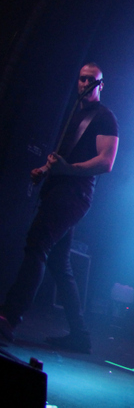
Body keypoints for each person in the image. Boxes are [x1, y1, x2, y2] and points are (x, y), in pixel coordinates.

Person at [0, 62, 119, 353]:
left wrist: (68, 169)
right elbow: (62, 159)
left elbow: (106, 161)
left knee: (37, 245)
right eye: (82, 79)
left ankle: (9, 318)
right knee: (59, 263)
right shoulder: (76, 115)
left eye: (92, 80)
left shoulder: (104, 117)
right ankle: (80, 335)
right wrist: (44, 169)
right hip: (60, 190)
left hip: (74, 195)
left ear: (101, 85)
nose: (85, 84)